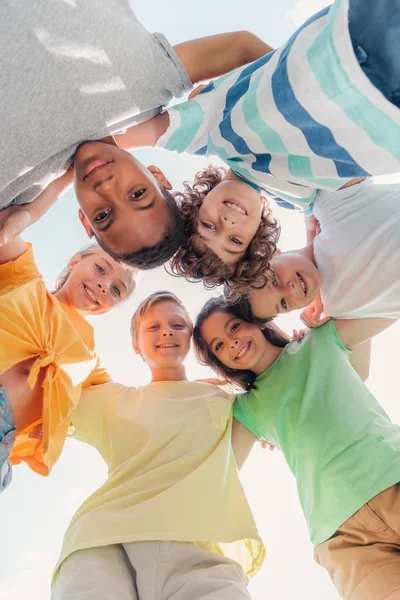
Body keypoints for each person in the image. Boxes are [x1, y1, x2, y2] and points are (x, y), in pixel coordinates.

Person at [118, 0, 400, 287]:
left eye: (209, 226)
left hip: (357, 45)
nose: (227, 224)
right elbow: (324, 222)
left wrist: (282, 75)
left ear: (197, 205)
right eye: (235, 240)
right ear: (255, 237)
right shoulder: (300, 202)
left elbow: (124, 137)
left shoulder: (211, 135)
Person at [0, 0, 272, 269]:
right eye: (138, 193)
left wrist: (31, 211)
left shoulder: (17, 197)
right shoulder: (149, 92)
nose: (106, 186)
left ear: (85, 219)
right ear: (157, 175)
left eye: (103, 215)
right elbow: (242, 50)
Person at [50, 291, 264, 599]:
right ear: (136, 343)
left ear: (191, 337)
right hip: (102, 540)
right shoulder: (112, 400)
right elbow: (45, 388)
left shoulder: (228, 402)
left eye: (177, 324)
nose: (166, 331)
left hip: (197, 545)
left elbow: (282, 387)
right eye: (153, 327)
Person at [193, 296, 400, 600]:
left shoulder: (321, 339)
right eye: (219, 346)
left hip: (391, 476)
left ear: (257, 319)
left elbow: (385, 303)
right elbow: (221, 471)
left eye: (234, 327)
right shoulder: (246, 409)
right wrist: (201, 393)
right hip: (343, 536)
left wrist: (334, 305)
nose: (232, 342)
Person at [0, 202, 137, 494]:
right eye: (101, 268)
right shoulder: (25, 280)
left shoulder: (90, 358)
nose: (104, 286)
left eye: (116, 290)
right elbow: (6, 226)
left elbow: (127, 404)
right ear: (75, 262)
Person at [240, 178, 400, 327]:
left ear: (272, 253)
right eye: (283, 303)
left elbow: (361, 158)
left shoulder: (329, 207)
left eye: (274, 281)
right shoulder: (336, 307)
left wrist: (309, 216)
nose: (289, 291)